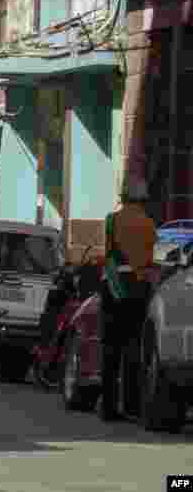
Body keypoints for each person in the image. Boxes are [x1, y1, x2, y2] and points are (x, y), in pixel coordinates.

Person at [98, 178, 156, 422]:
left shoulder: (112, 220)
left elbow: (109, 254)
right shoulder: (150, 224)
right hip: (139, 289)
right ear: (143, 199)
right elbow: (150, 259)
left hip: (113, 288)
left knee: (110, 351)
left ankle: (109, 408)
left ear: (123, 196)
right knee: (134, 349)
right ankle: (132, 406)